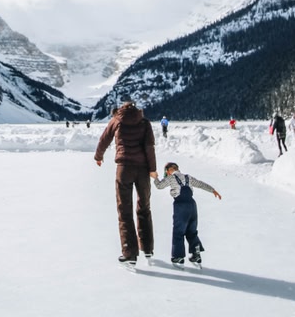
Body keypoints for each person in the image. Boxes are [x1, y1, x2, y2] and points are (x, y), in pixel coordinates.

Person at [94, 99, 157, 266]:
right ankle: (148, 248)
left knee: (125, 210)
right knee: (144, 207)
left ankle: (129, 252)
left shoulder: (116, 120)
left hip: (124, 169)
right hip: (143, 169)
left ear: (121, 108)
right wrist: (153, 169)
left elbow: (104, 139)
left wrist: (98, 157)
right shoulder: (144, 122)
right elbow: (149, 146)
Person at [151, 162, 221, 266]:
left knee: (178, 231)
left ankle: (178, 257)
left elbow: (160, 186)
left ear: (168, 170)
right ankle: (195, 252)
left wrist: (155, 177)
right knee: (191, 230)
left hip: (181, 205)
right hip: (192, 205)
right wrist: (213, 190)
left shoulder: (171, 178)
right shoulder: (188, 177)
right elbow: (201, 184)